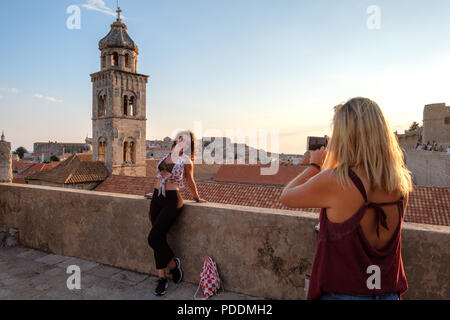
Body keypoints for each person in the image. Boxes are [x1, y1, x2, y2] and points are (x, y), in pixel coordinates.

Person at [280, 97, 412, 300]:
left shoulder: (337, 182)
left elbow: (287, 196)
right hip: (387, 292)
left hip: (344, 293)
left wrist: (314, 166)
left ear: (344, 136)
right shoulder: (401, 183)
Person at [147, 130, 207, 296]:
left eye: (186, 140)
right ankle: (162, 278)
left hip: (172, 200)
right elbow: (159, 177)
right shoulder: (165, 155)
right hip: (156, 198)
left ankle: (173, 265)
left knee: (153, 238)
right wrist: (152, 194)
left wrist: (196, 198)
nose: (182, 140)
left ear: (188, 145)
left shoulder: (186, 160)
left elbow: (189, 180)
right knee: (158, 238)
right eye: (180, 137)